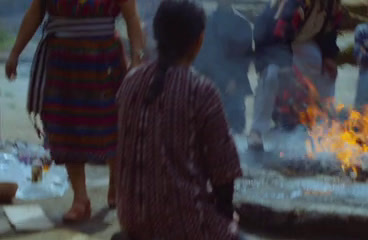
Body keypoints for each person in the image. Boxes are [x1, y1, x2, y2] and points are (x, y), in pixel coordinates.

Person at [4, 0, 144, 222]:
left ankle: (116, 182)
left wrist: (137, 58)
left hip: (104, 60)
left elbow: (132, 18)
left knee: (112, 124)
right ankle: (81, 199)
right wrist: (15, 52)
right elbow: (35, 13)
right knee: (65, 127)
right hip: (62, 61)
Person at [115, 1, 242, 239]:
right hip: (183, 223)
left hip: (130, 217)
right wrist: (226, 218)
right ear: (199, 40)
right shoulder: (201, 90)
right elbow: (224, 173)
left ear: (155, 34)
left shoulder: (130, 81)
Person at [249, 0, 343, 150]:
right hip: (272, 41)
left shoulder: (333, 4)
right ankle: (257, 131)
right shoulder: (297, 3)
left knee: (326, 72)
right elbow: (280, 31)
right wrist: (284, 64)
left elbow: (329, 32)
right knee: (272, 75)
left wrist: (328, 56)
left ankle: (323, 126)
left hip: (299, 40)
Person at [194, 0, 253, 134]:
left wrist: (235, 80)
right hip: (212, 81)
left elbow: (246, 59)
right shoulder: (207, 24)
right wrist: (225, 80)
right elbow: (206, 58)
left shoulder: (243, 25)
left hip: (235, 83)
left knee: (236, 123)